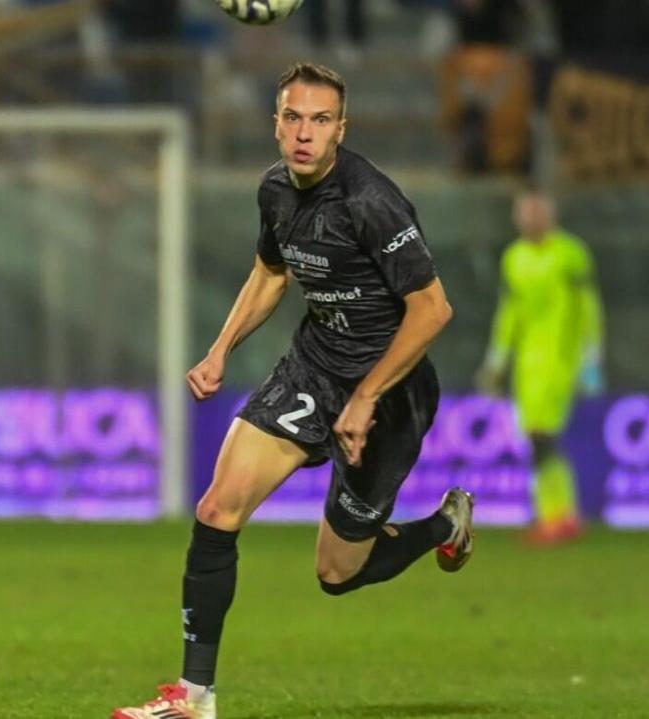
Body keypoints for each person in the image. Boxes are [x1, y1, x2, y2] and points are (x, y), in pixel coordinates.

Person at [113, 62, 475, 719]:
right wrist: (221, 348)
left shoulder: (370, 201)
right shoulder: (275, 190)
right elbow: (271, 273)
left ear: (341, 129)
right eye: (294, 118)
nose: (305, 133)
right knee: (217, 508)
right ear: (276, 124)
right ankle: (194, 697)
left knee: (337, 572)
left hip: (389, 394)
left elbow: (433, 309)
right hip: (313, 370)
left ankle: (444, 525)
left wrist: (366, 398)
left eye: (320, 120)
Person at [475, 187, 603, 545]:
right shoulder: (513, 257)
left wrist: (591, 360)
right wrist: (496, 360)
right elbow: (509, 314)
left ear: (550, 214)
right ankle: (562, 515)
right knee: (537, 439)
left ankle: (556, 516)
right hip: (526, 364)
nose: (530, 218)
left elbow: (589, 309)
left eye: (536, 211)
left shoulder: (571, 254)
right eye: (524, 211)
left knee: (542, 436)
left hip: (561, 360)